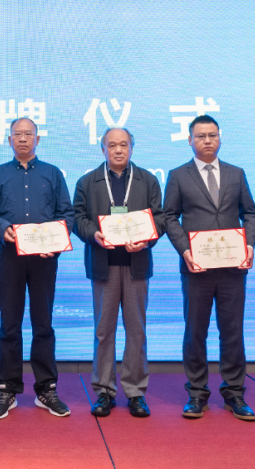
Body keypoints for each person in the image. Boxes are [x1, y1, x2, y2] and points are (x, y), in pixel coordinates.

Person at [163, 115, 255, 421]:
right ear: (190, 140)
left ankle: (235, 393)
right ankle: (196, 393)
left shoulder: (236, 173)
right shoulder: (178, 175)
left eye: (212, 135)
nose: (207, 140)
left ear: (220, 138)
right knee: (195, 332)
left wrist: (249, 245)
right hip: (196, 268)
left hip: (232, 268)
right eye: (201, 136)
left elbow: (251, 213)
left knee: (232, 332)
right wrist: (185, 250)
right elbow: (168, 217)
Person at [0, 117, 75, 419]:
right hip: (10, 257)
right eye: (17, 134)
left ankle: (46, 388)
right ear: (9, 140)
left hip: (44, 259)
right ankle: (7, 389)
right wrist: (2, 228)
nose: (22, 138)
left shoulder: (53, 173)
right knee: (9, 324)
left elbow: (66, 213)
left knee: (43, 324)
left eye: (28, 134)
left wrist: (55, 242)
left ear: (37, 139)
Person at [72, 127, 163, 419]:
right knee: (104, 331)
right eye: (112, 145)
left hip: (137, 266)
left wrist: (147, 238)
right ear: (103, 149)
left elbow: (160, 218)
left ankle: (135, 392)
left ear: (132, 148)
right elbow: (77, 218)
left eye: (123, 144)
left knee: (136, 331)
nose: (118, 150)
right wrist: (93, 234)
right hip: (104, 265)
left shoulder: (148, 180)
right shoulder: (88, 181)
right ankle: (104, 391)